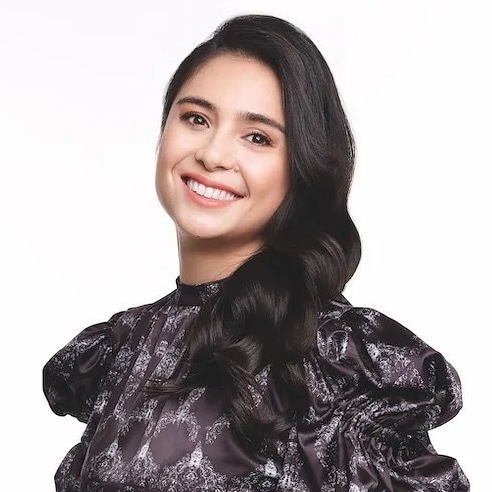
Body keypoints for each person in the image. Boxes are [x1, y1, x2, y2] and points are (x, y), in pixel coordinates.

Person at [42, 13, 469, 492]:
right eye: (196, 118)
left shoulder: (331, 359)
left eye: (258, 137)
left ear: (301, 169)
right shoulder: (125, 346)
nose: (213, 155)